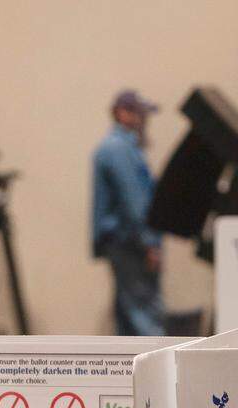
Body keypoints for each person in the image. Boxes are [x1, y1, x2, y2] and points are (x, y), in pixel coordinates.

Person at [91, 89, 165, 336]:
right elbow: (135, 204)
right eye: (139, 114)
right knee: (146, 318)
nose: (144, 121)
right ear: (122, 114)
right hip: (131, 244)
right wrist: (150, 243)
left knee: (128, 317)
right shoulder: (119, 150)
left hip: (123, 242)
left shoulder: (119, 148)